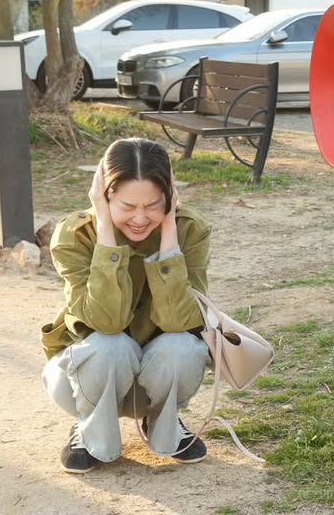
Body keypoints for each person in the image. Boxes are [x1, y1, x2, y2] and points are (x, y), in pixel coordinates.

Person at [41, 137, 213, 473]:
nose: (140, 218)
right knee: (110, 345)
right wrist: (106, 231)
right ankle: (90, 431)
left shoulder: (189, 229)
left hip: (153, 376)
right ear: (104, 196)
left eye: (153, 204)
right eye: (127, 206)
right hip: (84, 377)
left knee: (182, 346)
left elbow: (180, 321)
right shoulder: (75, 235)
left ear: (170, 196)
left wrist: (169, 234)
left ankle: (165, 425)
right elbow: (107, 322)